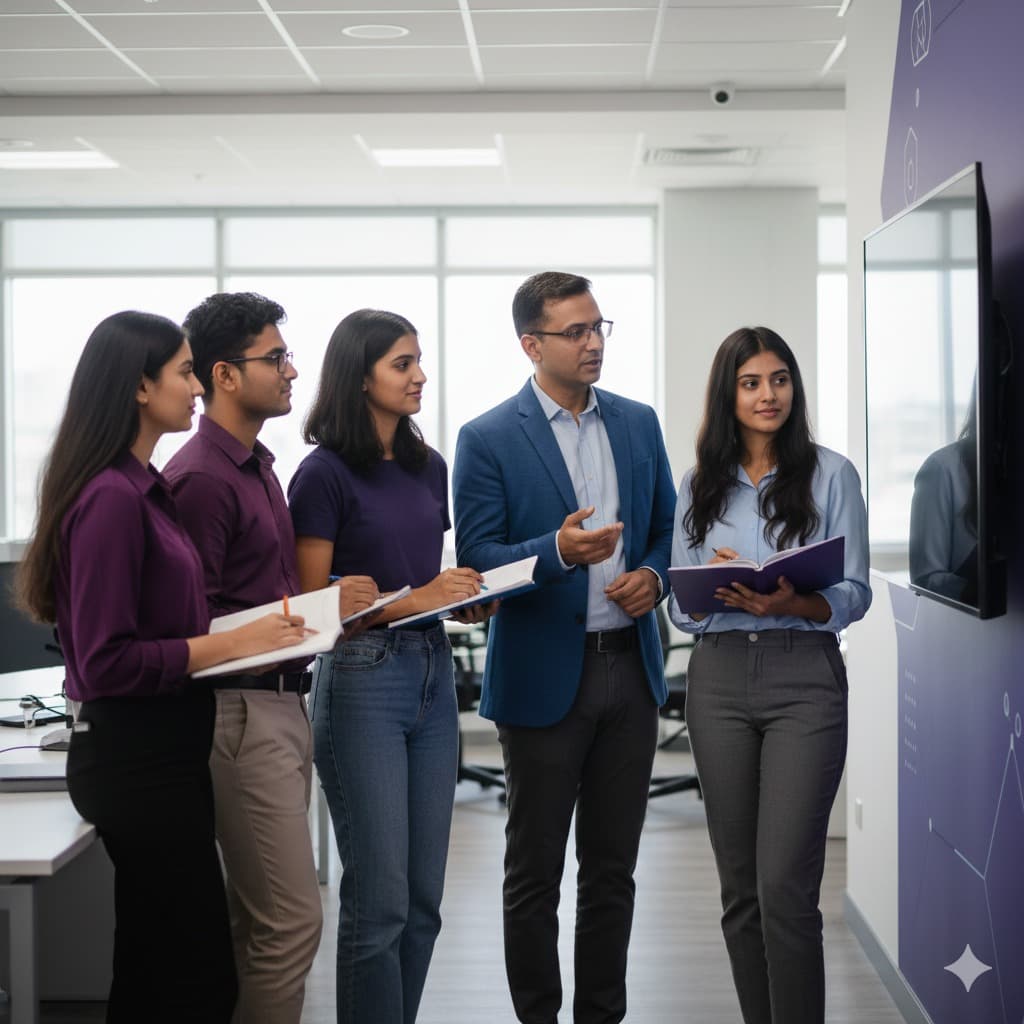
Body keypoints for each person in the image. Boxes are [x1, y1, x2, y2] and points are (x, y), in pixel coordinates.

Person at [16, 310, 309, 1024]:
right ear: (140, 387)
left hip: (164, 753)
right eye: (183, 372)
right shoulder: (113, 498)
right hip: (134, 759)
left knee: (160, 964)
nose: (197, 388)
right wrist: (232, 645)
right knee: (188, 972)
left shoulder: (142, 484)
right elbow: (106, 659)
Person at [452, 271, 676, 1024]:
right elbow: (479, 563)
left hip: (630, 673)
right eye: (575, 331)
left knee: (613, 871)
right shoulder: (486, 438)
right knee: (535, 872)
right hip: (546, 679)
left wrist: (652, 574)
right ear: (531, 343)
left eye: (598, 327)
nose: (592, 343)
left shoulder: (639, 423)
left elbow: (667, 529)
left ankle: (601, 1017)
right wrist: (556, 552)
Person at [162, 292, 379, 1023]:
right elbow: (199, 625)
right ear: (224, 374)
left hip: (281, 704)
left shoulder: (256, 466)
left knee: (261, 926)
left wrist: (330, 611)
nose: (292, 370)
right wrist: (318, 610)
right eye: (275, 358)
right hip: (242, 713)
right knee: (291, 923)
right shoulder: (201, 479)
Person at [287, 308, 493, 1024]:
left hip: (433, 673)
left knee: (423, 905)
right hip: (362, 681)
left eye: (419, 360)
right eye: (402, 363)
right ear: (359, 375)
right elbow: (316, 611)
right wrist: (420, 600)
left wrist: (460, 599)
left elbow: (411, 576)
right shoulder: (321, 475)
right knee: (378, 905)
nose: (420, 376)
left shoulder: (426, 465)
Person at [668, 326, 871, 1024]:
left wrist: (799, 601)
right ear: (729, 393)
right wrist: (711, 586)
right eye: (751, 382)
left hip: (803, 677)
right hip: (718, 678)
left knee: (784, 885)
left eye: (779, 379)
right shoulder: (698, 484)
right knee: (741, 891)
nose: (768, 394)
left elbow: (856, 593)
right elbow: (680, 610)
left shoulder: (833, 474)